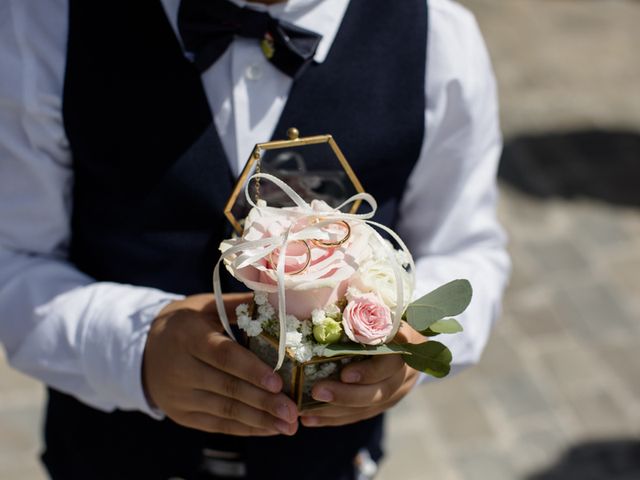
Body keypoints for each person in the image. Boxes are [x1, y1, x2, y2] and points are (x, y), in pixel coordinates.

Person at [0, 0, 510, 478]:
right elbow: (13, 259)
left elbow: (466, 249)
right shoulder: (42, 26)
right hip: (110, 455)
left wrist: (406, 349)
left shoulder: (440, 40)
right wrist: (134, 349)